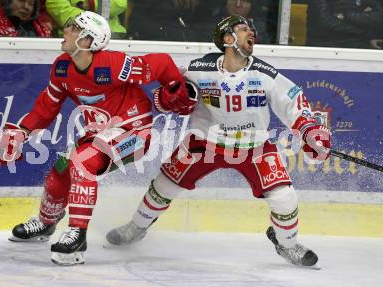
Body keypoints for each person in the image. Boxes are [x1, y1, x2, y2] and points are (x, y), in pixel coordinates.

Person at [105, 15, 331, 269]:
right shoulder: (198, 68)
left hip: (253, 146)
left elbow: (294, 102)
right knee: (164, 184)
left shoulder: (265, 73)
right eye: (244, 29)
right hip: (204, 144)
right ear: (227, 38)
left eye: (253, 30)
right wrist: (170, 98)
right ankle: (136, 227)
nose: (252, 33)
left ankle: (287, 245)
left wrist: (311, 129)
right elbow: (165, 95)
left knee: (285, 197)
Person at [0, 11, 197, 265]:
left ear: (87, 40)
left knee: (82, 162)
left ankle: (77, 234)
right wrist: (22, 131)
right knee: (60, 171)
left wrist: (174, 88)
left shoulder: (113, 65)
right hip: (100, 134)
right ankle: (47, 223)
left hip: (134, 132)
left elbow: (160, 63)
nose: (65, 30)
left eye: (72, 27)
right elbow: (47, 105)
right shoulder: (62, 67)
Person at [306, 0, 383, 49]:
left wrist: (346, 16)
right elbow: (325, 21)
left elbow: (379, 17)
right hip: (325, 46)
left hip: (358, 43)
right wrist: (363, 32)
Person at [45, 0, 127, 38]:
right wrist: (89, 19)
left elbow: (121, 3)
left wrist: (91, 3)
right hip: (74, 36)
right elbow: (56, 5)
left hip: (112, 36)